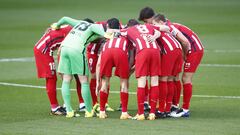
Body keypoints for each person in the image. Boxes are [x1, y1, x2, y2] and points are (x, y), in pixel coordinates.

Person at [51, 16, 113, 118]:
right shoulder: (94, 26)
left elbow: (65, 18)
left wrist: (56, 25)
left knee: (66, 80)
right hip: (76, 50)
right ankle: (89, 111)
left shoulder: (79, 23)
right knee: (84, 81)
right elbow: (106, 35)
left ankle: (69, 111)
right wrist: (109, 35)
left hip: (64, 48)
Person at [121, 19, 162, 120]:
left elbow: (111, 33)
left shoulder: (128, 30)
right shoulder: (148, 26)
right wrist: (154, 37)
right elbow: (160, 30)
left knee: (141, 82)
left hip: (143, 52)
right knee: (154, 81)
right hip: (156, 51)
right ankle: (152, 113)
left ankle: (140, 114)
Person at [96, 18, 134, 119]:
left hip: (107, 51)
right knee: (124, 83)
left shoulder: (107, 35)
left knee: (104, 83)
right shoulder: (126, 32)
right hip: (120, 52)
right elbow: (131, 53)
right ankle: (124, 113)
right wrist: (129, 68)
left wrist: (97, 82)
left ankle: (102, 112)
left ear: (109, 26)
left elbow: (99, 63)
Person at [33, 24, 72, 115]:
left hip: (42, 48)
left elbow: (54, 25)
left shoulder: (69, 27)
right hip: (43, 51)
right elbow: (63, 51)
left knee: (52, 78)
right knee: (51, 78)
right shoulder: (71, 34)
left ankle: (56, 107)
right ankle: (54, 108)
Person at [152, 14, 183, 118]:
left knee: (163, 79)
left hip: (170, 51)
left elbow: (156, 36)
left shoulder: (157, 29)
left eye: (154, 23)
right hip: (178, 49)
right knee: (170, 79)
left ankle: (161, 110)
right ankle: (168, 108)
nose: (153, 25)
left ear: (160, 23)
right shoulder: (168, 30)